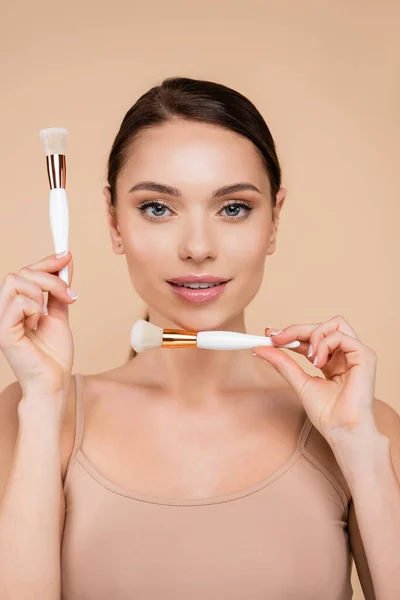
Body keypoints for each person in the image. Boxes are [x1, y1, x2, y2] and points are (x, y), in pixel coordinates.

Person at [1, 76, 399, 600]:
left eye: (233, 208)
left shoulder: (365, 428)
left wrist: (360, 447)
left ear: (274, 220)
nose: (197, 247)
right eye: (157, 208)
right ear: (114, 222)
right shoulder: (31, 415)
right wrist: (44, 402)